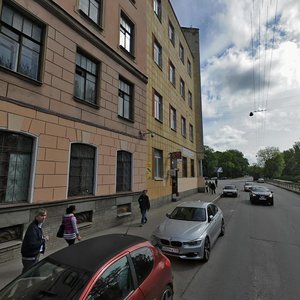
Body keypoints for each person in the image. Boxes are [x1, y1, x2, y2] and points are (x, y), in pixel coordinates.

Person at [21, 208, 48, 273]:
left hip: (34, 255)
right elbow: (33, 244)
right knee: (27, 275)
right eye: (41, 215)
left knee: (34, 272)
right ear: (36, 216)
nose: (44, 217)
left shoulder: (38, 225)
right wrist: (44, 240)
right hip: (30, 257)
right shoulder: (33, 228)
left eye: (45, 215)